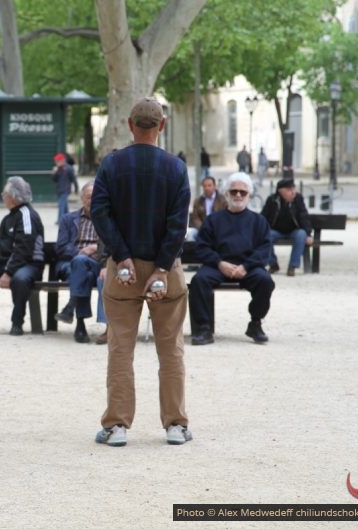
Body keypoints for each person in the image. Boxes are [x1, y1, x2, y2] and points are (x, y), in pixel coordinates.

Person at [90, 96, 192, 447]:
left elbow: (100, 212)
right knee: (170, 348)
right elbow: (179, 224)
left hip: (124, 268)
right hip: (165, 268)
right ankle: (175, 424)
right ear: (161, 126)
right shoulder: (176, 168)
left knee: (120, 347)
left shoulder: (111, 165)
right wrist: (162, 266)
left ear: (130, 125)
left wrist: (123, 256)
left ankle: (117, 425)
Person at [189, 172, 275, 346]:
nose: (238, 195)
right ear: (226, 194)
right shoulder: (213, 220)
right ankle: (203, 328)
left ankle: (255, 323)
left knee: (265, 281)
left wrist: (246, 266)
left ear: (249, 195)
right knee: (199, 281)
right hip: (218, 265)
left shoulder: (259, 221)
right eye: (234, 191)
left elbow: (265, 249)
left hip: (248, 267)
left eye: (242, 192)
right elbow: (202, 246)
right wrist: (219, 263)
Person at [0, 176, 44, 336]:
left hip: (29, 264)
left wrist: (8, 273)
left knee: (19, 279)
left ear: (13, 196)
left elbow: (24, 249)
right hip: (7, 264)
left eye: (4, 193)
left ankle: (17, 323)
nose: (2, 196)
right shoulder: (8, 218)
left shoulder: (26, 215)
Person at [53, 181, 101, 343]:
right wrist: (81, 253)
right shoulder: (68, 219)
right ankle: (79, 325)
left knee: (83, 269)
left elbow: (112, 245)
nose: (92, 201)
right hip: (70, 265)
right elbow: (61, 247)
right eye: (88, 197)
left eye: (95, 197)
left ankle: (72, 311)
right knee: (82, 270)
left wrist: (95, 247)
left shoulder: (106, 219)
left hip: (97, 264)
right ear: (81, 198)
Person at [261, 178, 313, 277]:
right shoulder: (272, 200)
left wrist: (308, 234)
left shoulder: (298, 199)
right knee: (266, 235)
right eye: (289, 190)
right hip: (276, 231)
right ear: (281, 191)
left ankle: (292, 266)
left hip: (294, 231)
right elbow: (263, 217)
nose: (293, 192)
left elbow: (304, 216)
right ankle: (273, 264)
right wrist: (260, 230)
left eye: (293, 188)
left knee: (301, 234)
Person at [187, 176, 227, 241]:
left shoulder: (223, 200)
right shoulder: (198, 201)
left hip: (218, 230)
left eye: (209, 185)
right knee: (191, 234)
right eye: (204, 186)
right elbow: (195, 217)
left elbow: (225, 217)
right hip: (202, 229)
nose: (207, 188)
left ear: (214, 186)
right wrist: (203, 228)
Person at [51, 152, 78, 224]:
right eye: (56, 161)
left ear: (62, 160)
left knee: (61, 205)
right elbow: (54, 180)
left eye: (57, 161)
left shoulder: (69, 168)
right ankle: (68, 219)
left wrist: (76, 189)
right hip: (59, 190)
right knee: (64, 206)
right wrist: (54, 173)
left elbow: (74, 179)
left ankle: (60, 221)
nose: (56, 163)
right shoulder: (58, 169)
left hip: (65, 190)